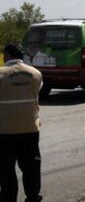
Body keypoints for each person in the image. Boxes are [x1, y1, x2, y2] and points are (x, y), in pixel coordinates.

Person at [0, 43, 43, 202]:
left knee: (6, 168)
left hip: (5, 130)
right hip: (30, 128)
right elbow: (37, 91)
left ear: (7, 55)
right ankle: (33, 196)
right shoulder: (35, 73)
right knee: (31, 165)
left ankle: (8, 198)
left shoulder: (1, 74)